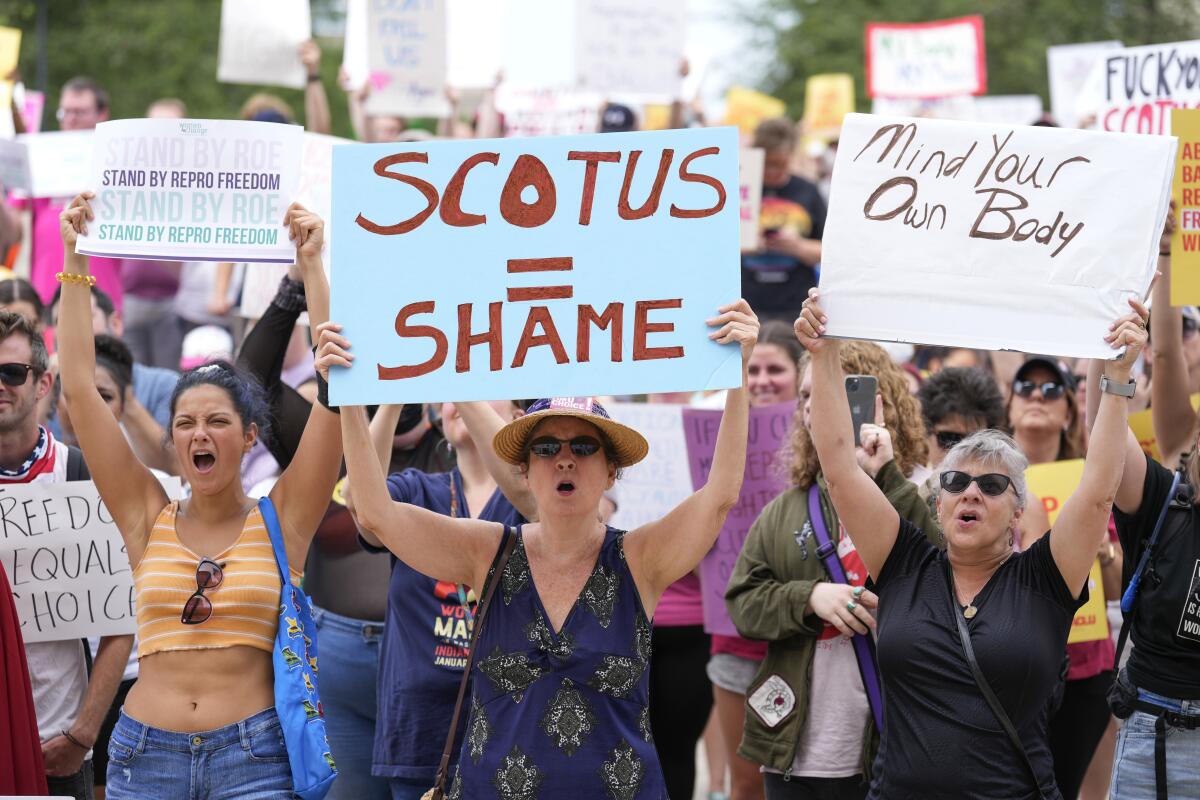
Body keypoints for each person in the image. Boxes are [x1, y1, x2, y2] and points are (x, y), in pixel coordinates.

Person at [336, 299, 759, 798]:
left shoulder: (641, 558)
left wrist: (739, 369)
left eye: (583, 447)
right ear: (524, 470)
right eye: (546, 448)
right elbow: (375, 513)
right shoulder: (487, 549)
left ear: (610, 473)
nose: (564, 460)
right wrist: (349, 393)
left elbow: (721, 496)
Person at [797, 287, 1146, 799]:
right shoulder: (904, 564)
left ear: (1018, 511)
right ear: (937, 504)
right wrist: (824, 355)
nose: (972, 493)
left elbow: (1097, 491)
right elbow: (839, 468)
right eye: (956, 483)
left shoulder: (1045, 578)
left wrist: (1116, 378)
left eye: (992, 485)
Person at [58, 194, 342, 799]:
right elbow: (80, 389)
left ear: (249, 437)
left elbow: (337, 396)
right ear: (172, 440)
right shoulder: (145, 512)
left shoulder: (283, 518)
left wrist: (314, 268)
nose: (199, 434)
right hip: (144, 757)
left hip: (257, 761)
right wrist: (74, 258)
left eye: (216, 421)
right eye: (185, 423)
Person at [235, 274, 454, 800]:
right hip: (338, 662)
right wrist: (294, 286)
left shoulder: (458, 447)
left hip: (433, 662)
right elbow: (249, 380)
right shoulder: (326, 438)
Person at [726, 341, 936, 800]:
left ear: (876, 403)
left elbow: (948, 582)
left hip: (888, 745)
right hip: (792, 750)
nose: (811, 407)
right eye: (805, 396)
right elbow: (742, 603)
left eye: (826, 393)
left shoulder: (922, 493)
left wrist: (883, 478)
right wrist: (810, 598)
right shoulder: (786, 508)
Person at [345, 399, 531, 800]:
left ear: (518, 418)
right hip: (420, 733)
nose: (456, 401)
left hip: (511, 732)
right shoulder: (417, 489)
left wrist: (462, 388)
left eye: (483, 386)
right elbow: (363, 505)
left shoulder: (534, 501)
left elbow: (529, 493)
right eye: (446, 394)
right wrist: (390, 399)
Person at [0, 309, 133, 800]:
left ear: (42, 384)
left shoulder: (82, 477)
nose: (0, 385)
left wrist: (82, 735)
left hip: (56, 749)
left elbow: (121, 621)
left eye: (11, 373)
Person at [1008, 355, 1117, 798]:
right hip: (1013, 662)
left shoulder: (1090, 484)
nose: (1038, 395)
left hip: (1085, 665)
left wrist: (1104, 551)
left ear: (1070, 409)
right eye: (1026, 386)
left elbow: (1114, 590)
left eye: (1052, 389)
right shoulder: (982, 479)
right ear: (1009, 405)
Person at [708, 320, 805, 800]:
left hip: (801, 639)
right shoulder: (716, 440)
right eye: (754, 369)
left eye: (776, 369)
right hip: (733, 635)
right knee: (746, 784)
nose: (763, 379)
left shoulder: (823, 447)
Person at [8, 77, 123, 308]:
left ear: (102, 114)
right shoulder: (41, 156)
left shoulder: (118, 158)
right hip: (47, 293)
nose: (70, 119)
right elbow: (13, 231)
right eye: (65, 112)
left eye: (80, 112)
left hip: (103, 293)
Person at [49, 283, 178, 428]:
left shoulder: (164, 385)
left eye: (83, 316)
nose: (72, 329)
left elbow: (169, 450)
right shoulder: (48, 392)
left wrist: (124, 394)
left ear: (115, 324)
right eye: (60, 321)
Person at [741, 118, 826, 324]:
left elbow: (829, 251)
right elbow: (711, 247)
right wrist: (746, 243)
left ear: (791, 157)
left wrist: (797, 246)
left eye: (779, 164)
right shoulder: (739, 189)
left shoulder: (807, 190)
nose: (771, 171)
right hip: (745, 302)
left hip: (795, 304)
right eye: (766, 164)